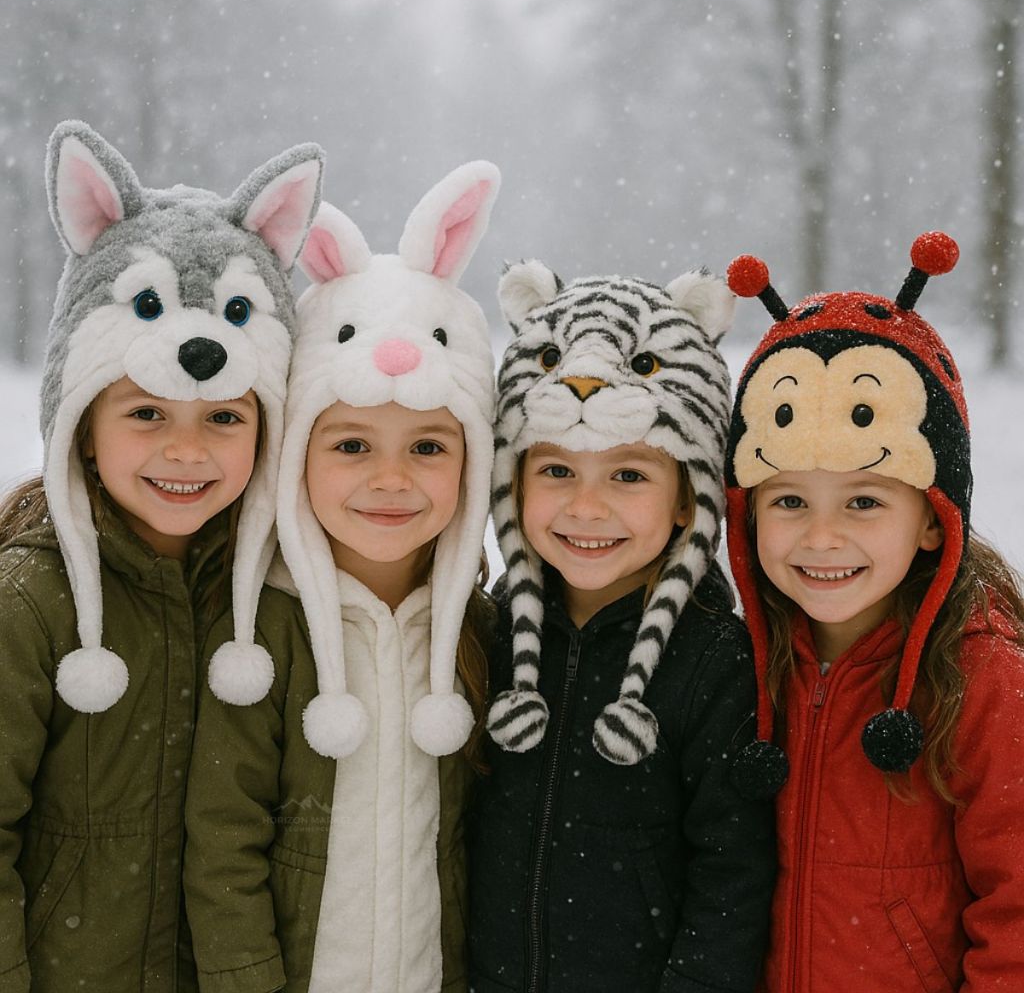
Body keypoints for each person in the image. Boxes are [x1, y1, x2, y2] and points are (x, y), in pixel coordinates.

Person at [0, 121, 323, 992]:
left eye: (223, 417)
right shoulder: (30, 602)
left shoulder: (271, 595)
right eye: (146, 414)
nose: (187, 452)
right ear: (83, 427)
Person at [184, 162, 501, 993]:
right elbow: (223, 845)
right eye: (352, 445)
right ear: (296, 454)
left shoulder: (478, 632)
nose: (390, 480)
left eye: (428, 447)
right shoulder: (258, 632)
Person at [724, 232, 1024, 992]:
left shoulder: (984, 678)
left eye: (863, 500)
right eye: (789, 500)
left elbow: (1017, 912)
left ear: (933, 518)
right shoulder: (748, 669)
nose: (822, 537)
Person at [469, 260, 776, 993]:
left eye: (629, 475)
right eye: (556, 473)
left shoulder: (714, 661)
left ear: (687, 500)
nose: (587, 507)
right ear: (513, 481)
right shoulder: (490, 630)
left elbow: (731, 873)